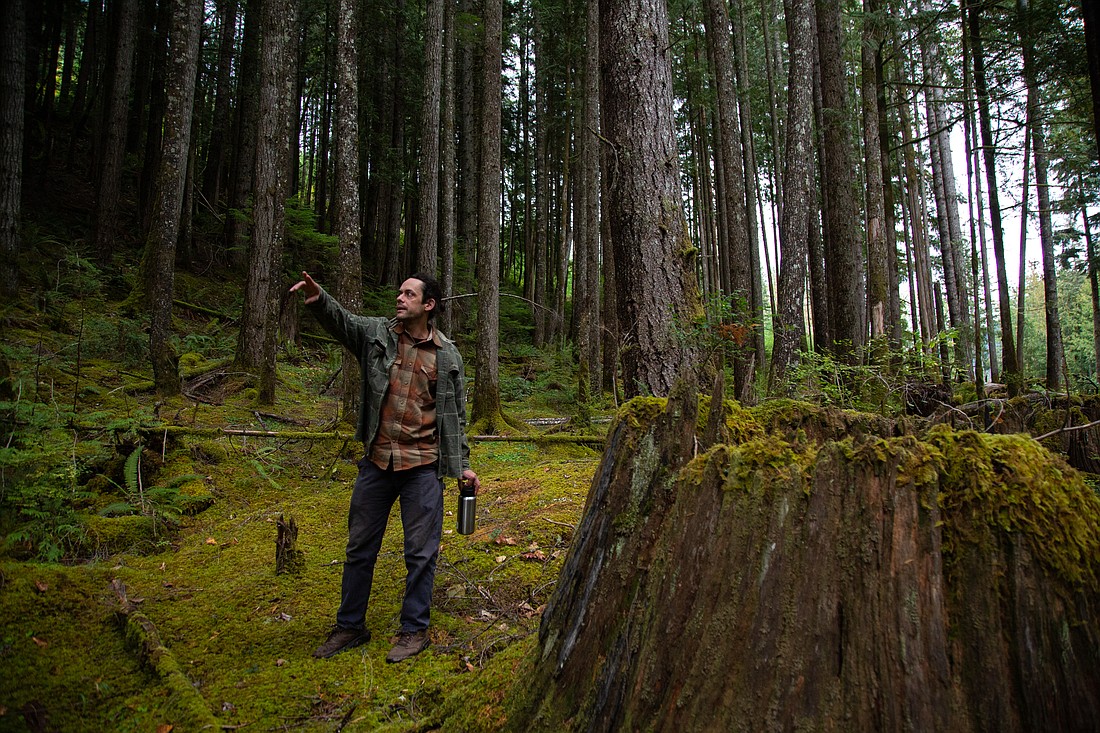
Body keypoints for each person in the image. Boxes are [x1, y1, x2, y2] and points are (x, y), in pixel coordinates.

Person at [290, 270, 480, 663]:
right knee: (360, 547)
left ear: (429, 305)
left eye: (409, 294)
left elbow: (455, 416)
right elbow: (342, 321)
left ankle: (414, 630)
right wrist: (318, 295)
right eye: (399, 292)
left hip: (423, 467)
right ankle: (350, 626)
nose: (400, 298)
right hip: (377, 462)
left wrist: (462, 466)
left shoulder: (448, 356)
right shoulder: (377, 334)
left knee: (420, 553)